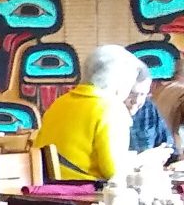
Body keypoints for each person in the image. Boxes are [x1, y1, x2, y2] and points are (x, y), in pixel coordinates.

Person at [34, 43, 142, 181]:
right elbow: (113, 171)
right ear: (119, 81)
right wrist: (142, 162)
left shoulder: (59, 103)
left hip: (46, 190)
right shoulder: (111, 109)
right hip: (86, 194)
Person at [126, 65, 175, 157]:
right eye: (131, 93)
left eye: (142, 94)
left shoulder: (149, 108)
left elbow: (169, 146)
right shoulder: (104, 113)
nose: (136, 100)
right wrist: (141, 159)